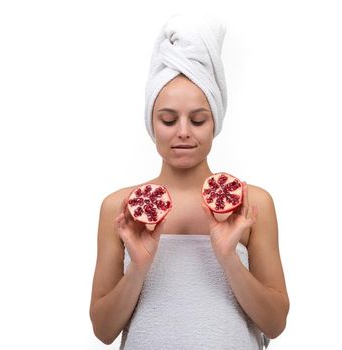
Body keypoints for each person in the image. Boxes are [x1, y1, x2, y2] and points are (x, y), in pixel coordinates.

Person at [89, 14, 289, 349]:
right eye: (168, 120)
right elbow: (104, 331)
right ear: (152, 123)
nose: (183, 132)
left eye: (197, 120)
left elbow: (275, 323)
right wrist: (138, 267)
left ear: (215, 123)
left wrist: (228, 258)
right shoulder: (119, 208)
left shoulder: (252, 204)